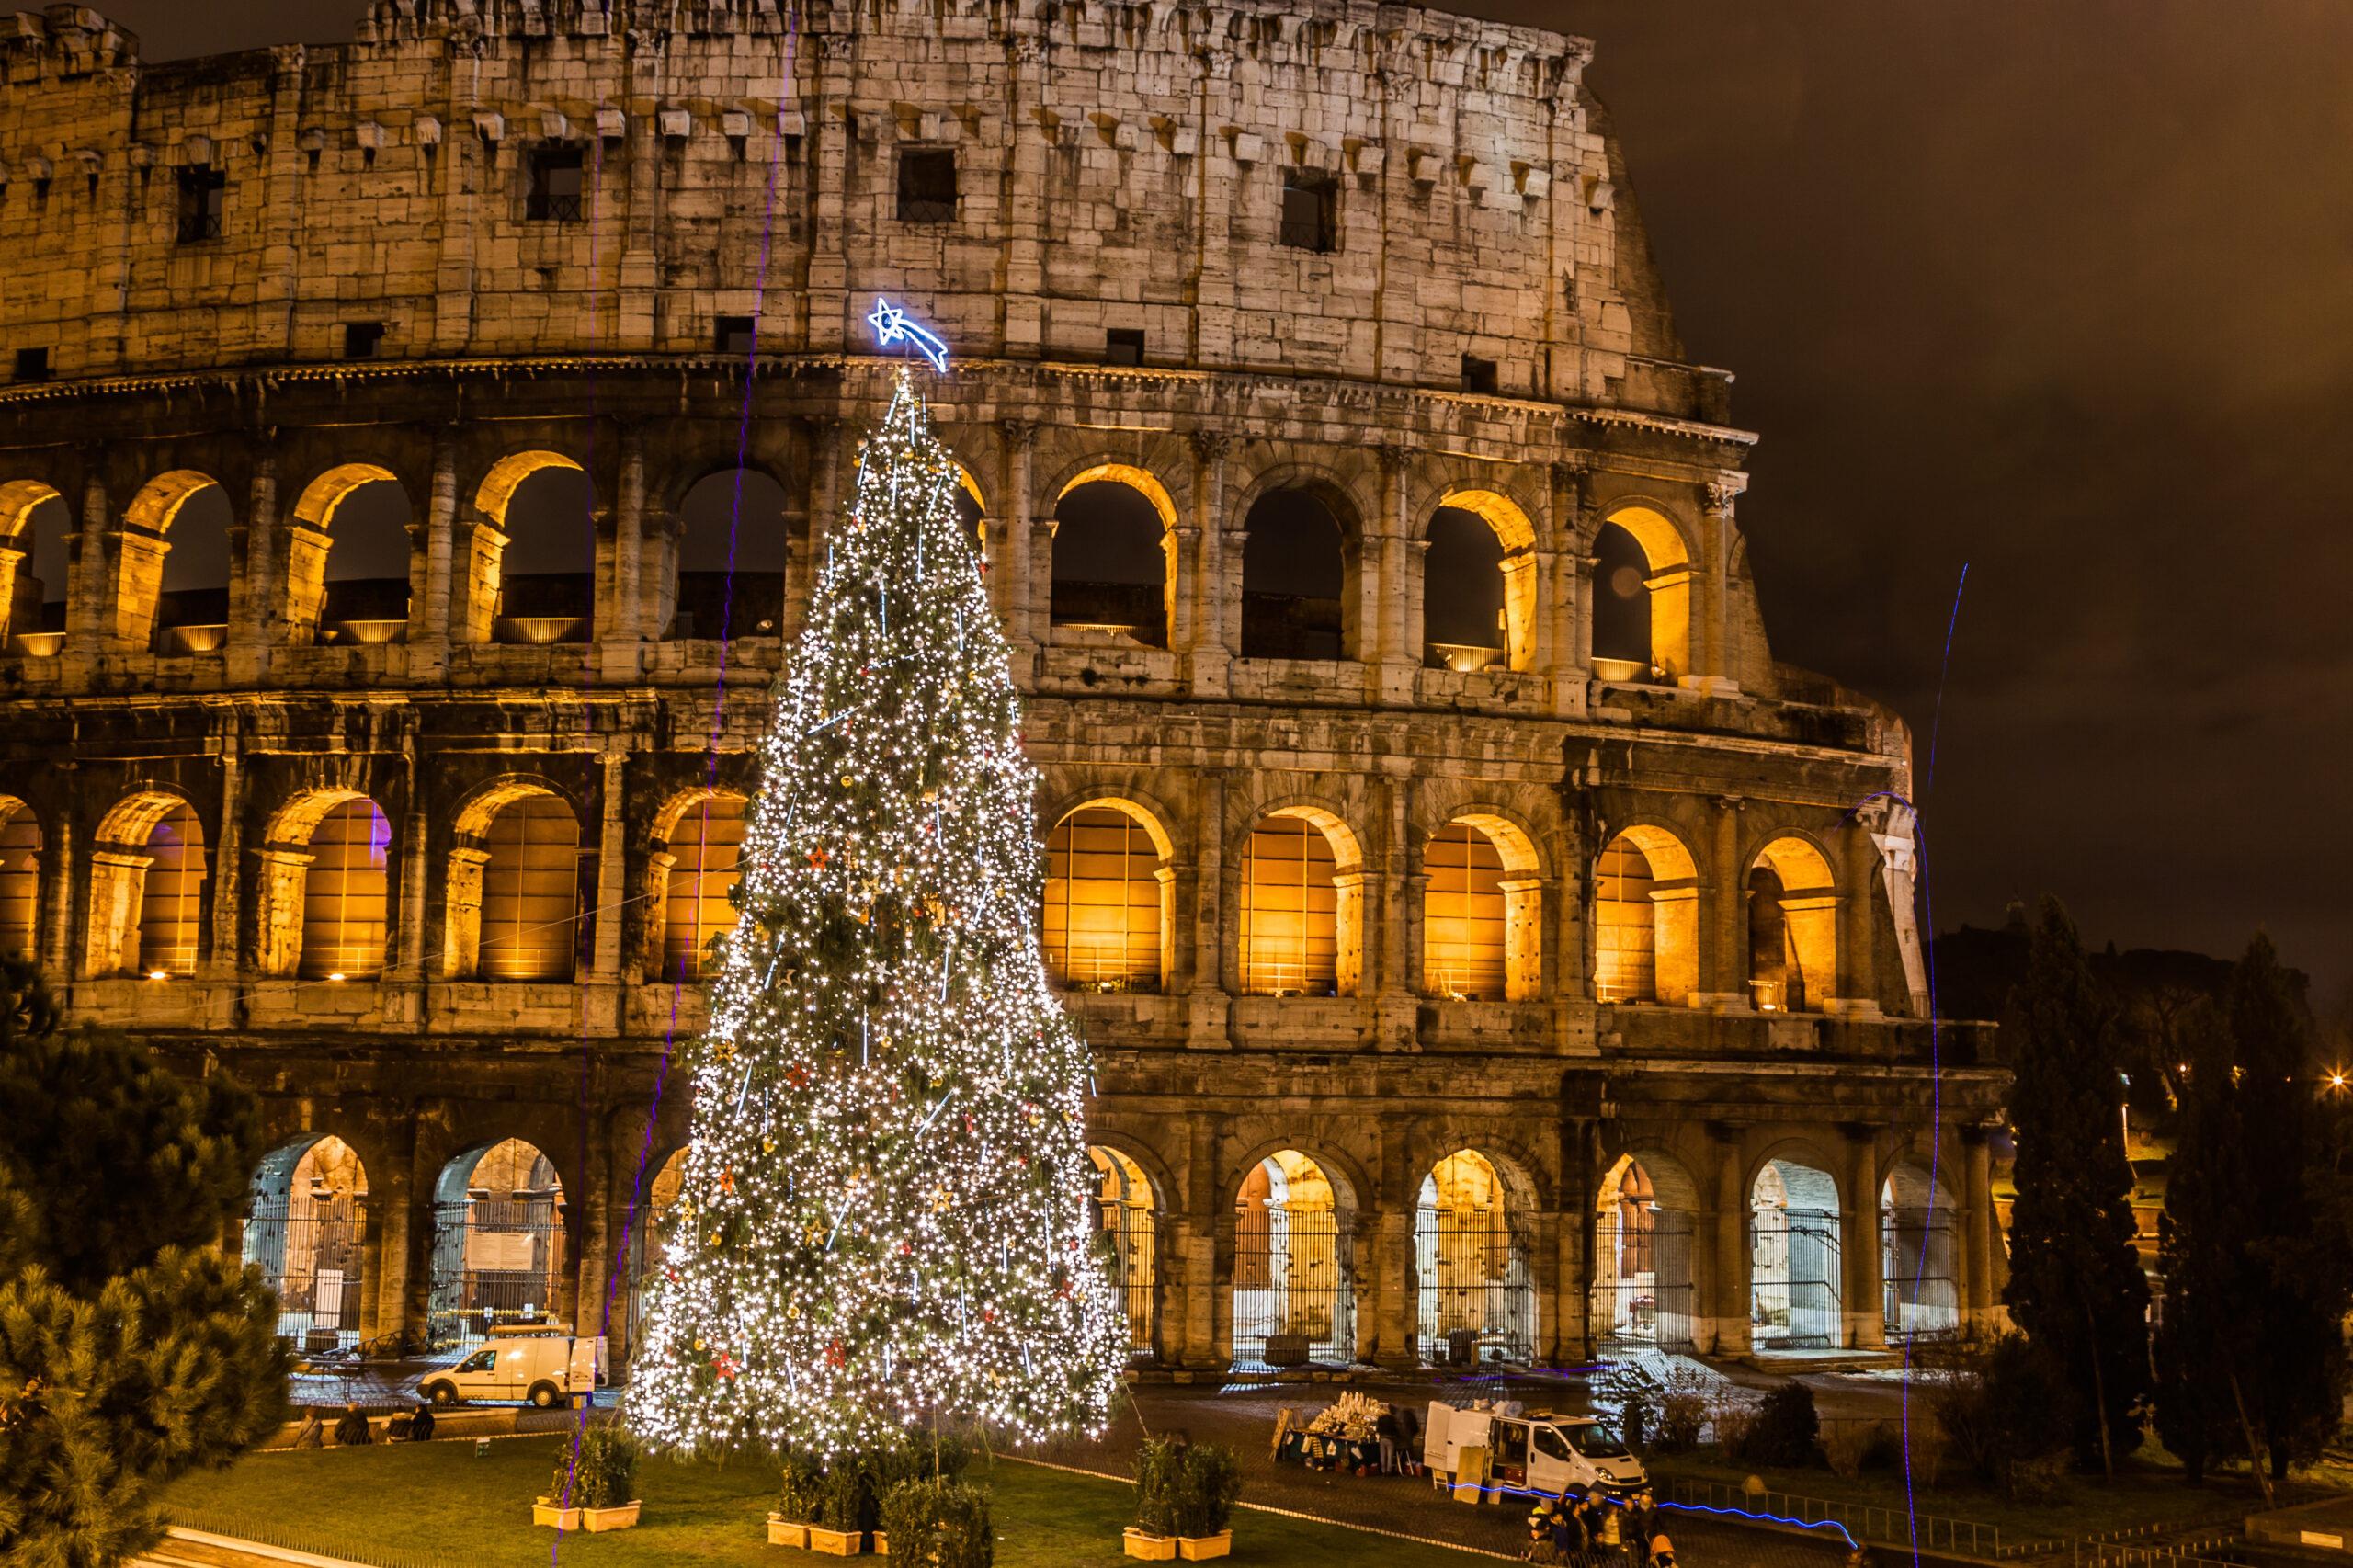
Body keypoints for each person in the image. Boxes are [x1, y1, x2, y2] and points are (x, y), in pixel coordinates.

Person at [1375, 1407, 1402, 1475]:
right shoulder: (1392, 1419)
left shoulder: (1380, 1419)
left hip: (1382, 1439)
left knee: (1382, 1456)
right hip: (1390, 1439)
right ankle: (1389, 1471)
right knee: (1390, 1456)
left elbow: (1378, 1429)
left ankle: (1383, 1471)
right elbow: (1395, 1429)